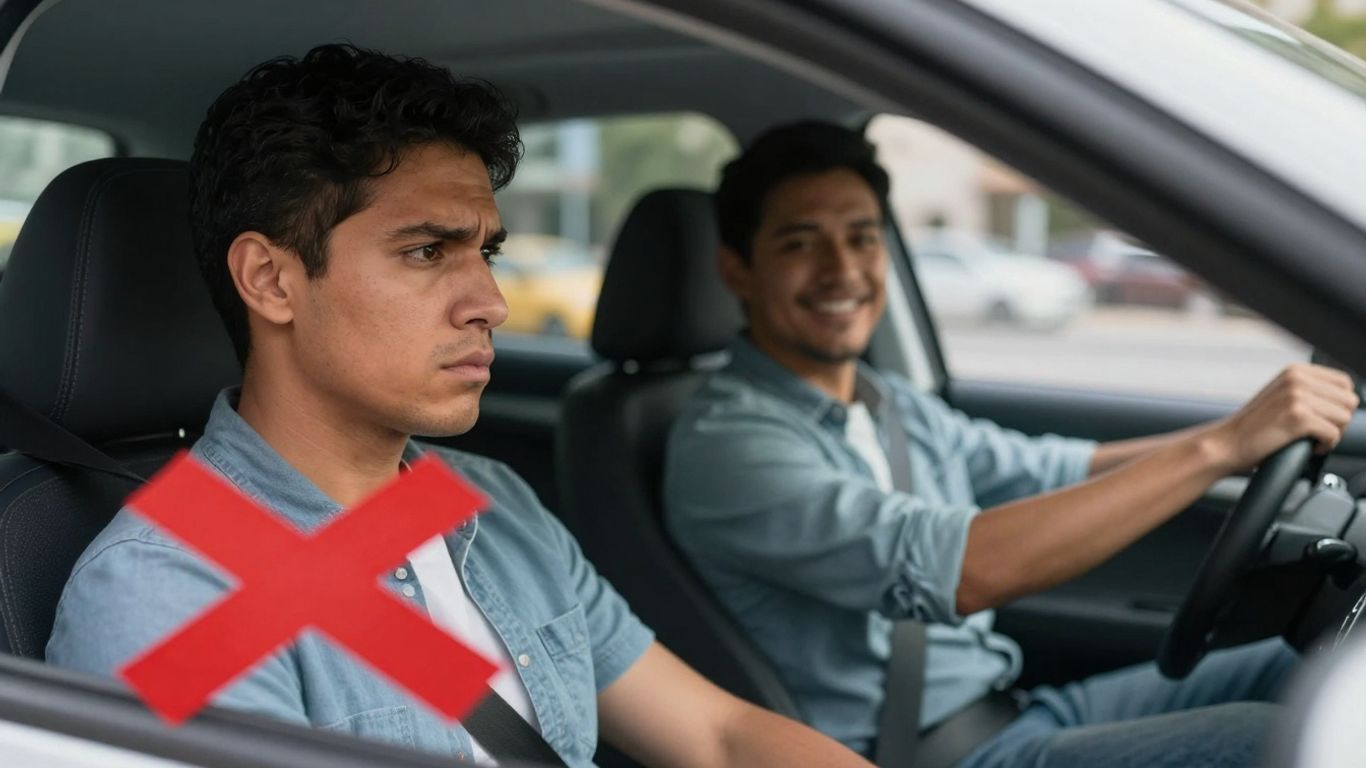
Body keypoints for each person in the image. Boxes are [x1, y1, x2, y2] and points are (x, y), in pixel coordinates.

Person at [45, 47, 872, 768]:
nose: (491, 303)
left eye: (487, 253)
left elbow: (720, 737)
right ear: (271, 280)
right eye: (426, 251)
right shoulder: (163, 597)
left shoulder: (491, 503)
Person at [662, 121, 1360, 767]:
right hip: (926, 755)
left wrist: (1237, 434)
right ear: (737, 270)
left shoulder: (883, 399)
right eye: (800, 243)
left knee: (1319, 673)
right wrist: (1221, 449)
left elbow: (1045, 469)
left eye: (862, 237)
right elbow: (961, 571)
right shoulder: (728, 449)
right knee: (1268, 742)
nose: (842, 270)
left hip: (1011, 711)